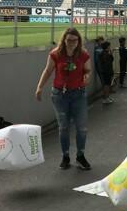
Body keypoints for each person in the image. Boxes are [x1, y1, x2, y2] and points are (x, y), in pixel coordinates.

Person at [35, 27, 92, 170]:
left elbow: (88, 70)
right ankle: (65, 156)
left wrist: (86, 76)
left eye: (74, 40)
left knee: (82, 128)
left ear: (78, 40)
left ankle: (80, 155)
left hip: (78, 94)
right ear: (64, 40)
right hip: (60, 95)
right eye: (69, 40)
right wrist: (40, 87)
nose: (72, 43)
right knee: (64, 127)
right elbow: (48, 71)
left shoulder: (83, 54)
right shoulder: (56, 54)